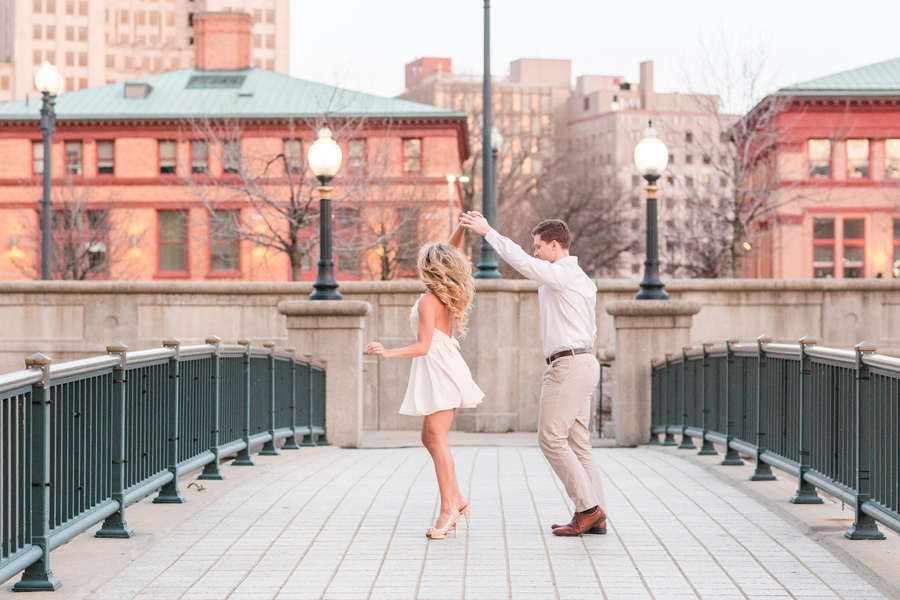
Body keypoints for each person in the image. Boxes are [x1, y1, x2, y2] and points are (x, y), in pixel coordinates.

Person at [460, 212, 607, 537]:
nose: (536, 252)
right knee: (578, 442)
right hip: (583, 363)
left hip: (568, 366)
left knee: (550, 438)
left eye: (539, 246)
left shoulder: (563, 273)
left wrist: (489, 233)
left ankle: (588, 509)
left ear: (555, 246)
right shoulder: (581, 278)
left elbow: (523, 264)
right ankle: (597, 513)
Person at [366, 221, 483, 540]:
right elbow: (452, 250)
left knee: (439, 440)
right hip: (439, 364)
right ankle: (457, 498)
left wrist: (388, 353)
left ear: (428, 268)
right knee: (429, 438)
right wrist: (460, 228)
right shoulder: (438, 295)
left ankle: (449, 509)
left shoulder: (428, 300)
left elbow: (422, 346)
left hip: (438, 366)